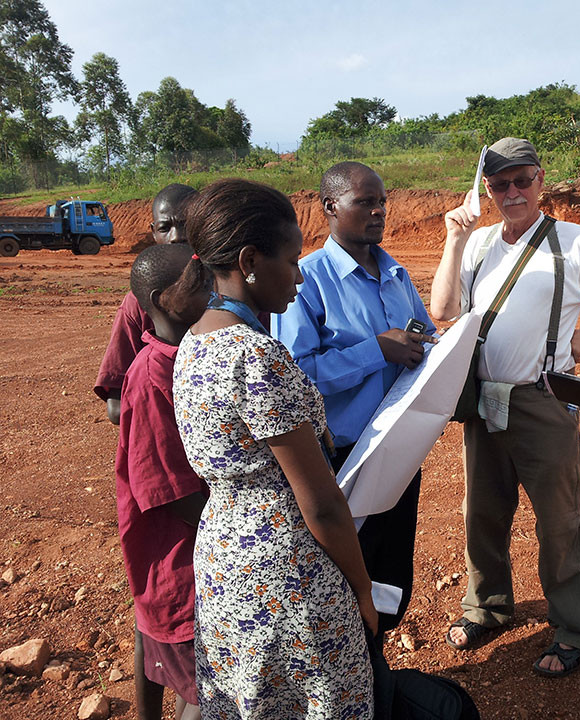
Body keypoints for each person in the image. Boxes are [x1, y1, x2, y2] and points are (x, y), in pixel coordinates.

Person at [430, 137, 580, 677]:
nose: (512, 192)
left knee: (560, 522)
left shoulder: (573, 243)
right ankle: (487, 607)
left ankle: (576, 629)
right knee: (482, 513)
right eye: (500, 183)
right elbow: (442, 311)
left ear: (540, 182)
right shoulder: (479, 244)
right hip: (483, 401)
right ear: (487, 189)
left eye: (522, 180)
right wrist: (453, 240)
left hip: (543, 401)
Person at [169, 179, 374, 719]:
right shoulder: (257, 357)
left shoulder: (193, 342)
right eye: (291, 260)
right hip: (287, 570)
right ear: (249, 260)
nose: (300, 276)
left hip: (223, 558)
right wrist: (362, 591)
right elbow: (322, 504)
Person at [273, 161, 436, 643]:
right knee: (345, 575)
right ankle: (352, 675)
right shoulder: (306, 280)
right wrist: (376, 351)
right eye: (364, 202)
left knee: (390, 569)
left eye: (382, 201)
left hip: (400, 449)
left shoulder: (396, 273)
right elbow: (296, 375)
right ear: (329, 207)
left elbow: (424, 336)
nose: (378, 211)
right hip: (342, 459)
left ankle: (376, 665)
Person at [115, 243, 210, 720]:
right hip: (180, 560)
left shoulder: (187, 355)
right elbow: (170, 491)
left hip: (195, 553)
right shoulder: (152, 373)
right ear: (158, 300)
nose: (211, 290)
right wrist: (231, 526)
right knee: (203, 689)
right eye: (198, 284)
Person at [94, 183, 197, 424]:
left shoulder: (230, 289)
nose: (177, 237)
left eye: (187, 225)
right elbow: (116, 407)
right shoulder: (137, 302)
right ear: (153, 233)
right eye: (165, 227)